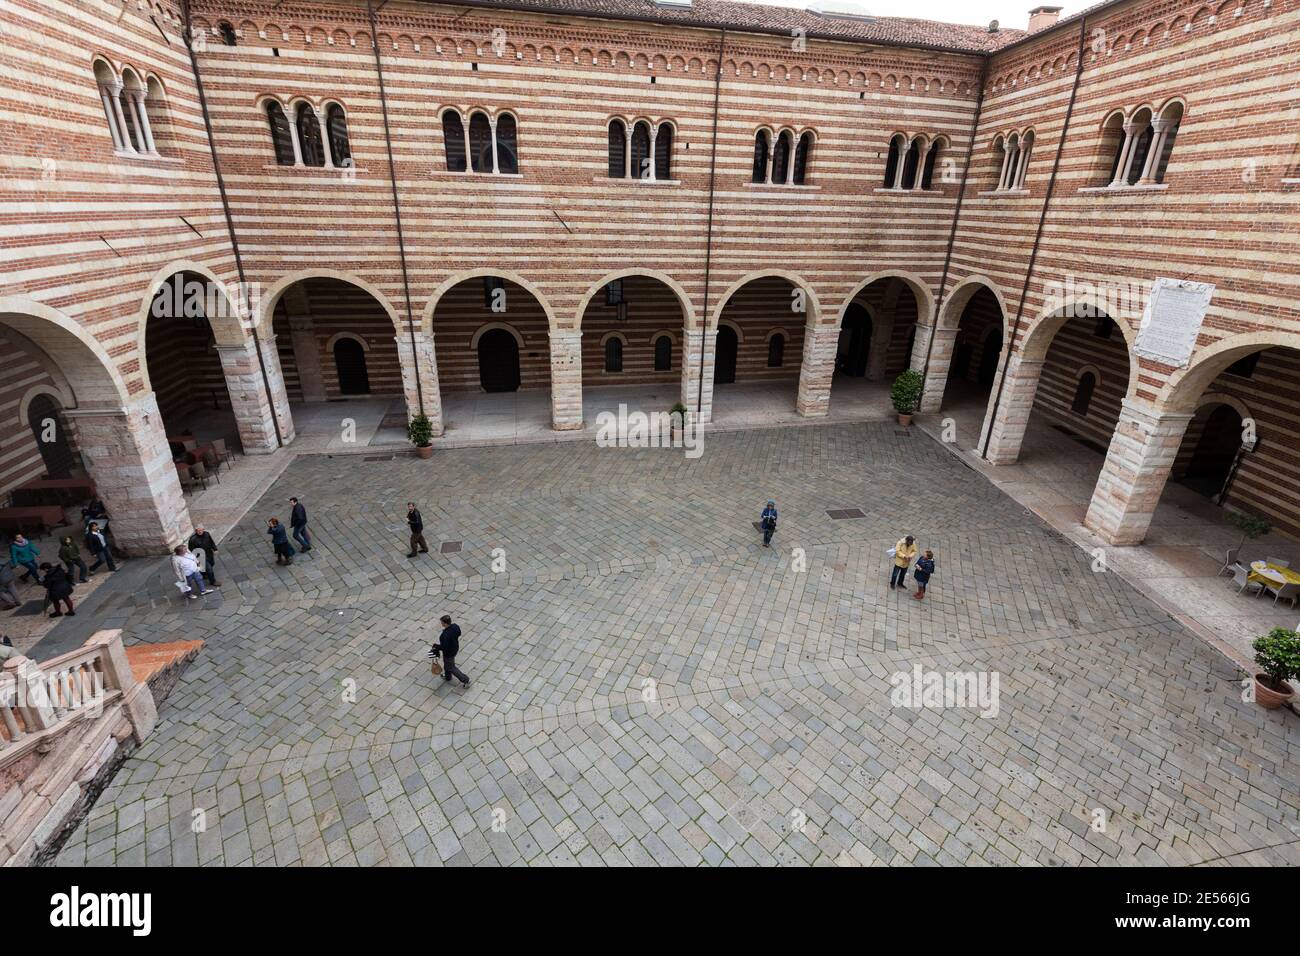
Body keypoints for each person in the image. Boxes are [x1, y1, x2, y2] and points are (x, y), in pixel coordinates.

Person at [429, 614, 470, 688]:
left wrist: (436, 646)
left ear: (445, 623)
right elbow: (459, 633)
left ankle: (465, 680)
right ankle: (448, 677)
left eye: (441, 622)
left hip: (449, 653)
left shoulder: (444, 635)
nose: (441, 624)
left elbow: (444, 647)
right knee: (447, 664)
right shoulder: (455, 626)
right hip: (455, 648)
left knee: (451, 667)